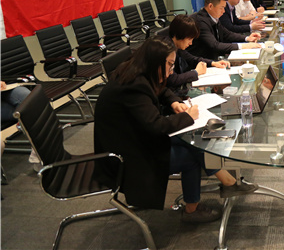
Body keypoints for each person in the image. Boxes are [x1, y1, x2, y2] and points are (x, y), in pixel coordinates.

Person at [94, 37, 258, 223]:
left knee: (192, 139)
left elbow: (161, 90)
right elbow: (157, 126)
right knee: (191, 156)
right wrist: (188, 116)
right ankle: (195, 208)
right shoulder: (134, 86)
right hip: (125, 156)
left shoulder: (137, 69)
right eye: (170, 65)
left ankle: (227, 181)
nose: (171, 71)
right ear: (156, 61)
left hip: (133, 136)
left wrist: (174, 102)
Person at [187, 0, 261, 60]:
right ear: (210, 6)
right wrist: (243, 46)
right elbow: (215, 45)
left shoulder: (213, 17)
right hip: (200, 63)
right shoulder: (200, 21)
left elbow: (226, 34)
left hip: (213, 59)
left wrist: (247, 38)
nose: (223, 11)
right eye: (221, 8)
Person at [167, 15, 229, 97]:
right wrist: (196, 72)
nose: (191, 43)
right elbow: (172, 79)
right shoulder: (167, 50)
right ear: (180, 35)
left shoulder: (176, 46)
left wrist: (213, 63)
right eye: (189, 39)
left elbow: (191, 59)